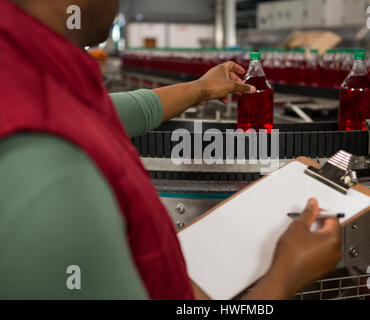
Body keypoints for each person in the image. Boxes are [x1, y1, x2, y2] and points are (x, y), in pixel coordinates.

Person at [0, 0, 342, 300]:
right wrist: (285, 276)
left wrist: (201, 88)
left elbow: (113, 109)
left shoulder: (27, 76)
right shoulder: (47, 165)